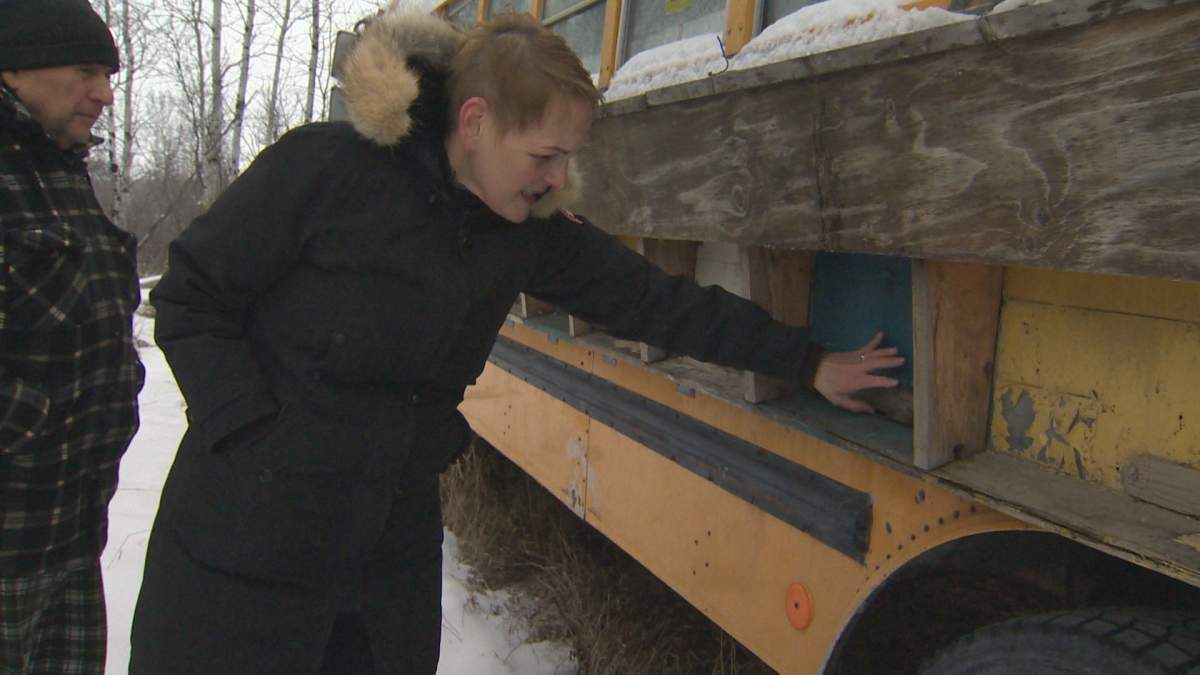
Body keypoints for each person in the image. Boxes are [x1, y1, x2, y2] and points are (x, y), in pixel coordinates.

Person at [129, 10, 902, 674]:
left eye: (569, 158)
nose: (558, 177)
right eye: (545, 156)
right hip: (244, 542)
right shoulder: (325, 170)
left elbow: (656, 303)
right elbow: (192, 296)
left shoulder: (525, 231)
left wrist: (805, 360)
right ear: (475, 122)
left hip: (380, 561)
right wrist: (249, 433)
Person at [0, 1, 145, 673]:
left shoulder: (58, 169)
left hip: (70, 533)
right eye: (86, 70)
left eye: (109, 74)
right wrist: (30, 424)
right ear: (14, 71)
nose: (105, 94)